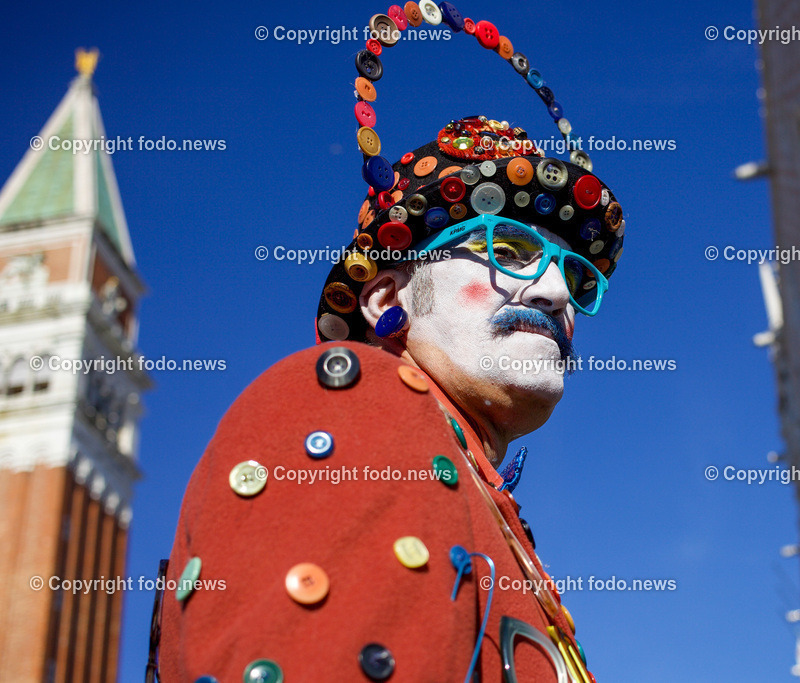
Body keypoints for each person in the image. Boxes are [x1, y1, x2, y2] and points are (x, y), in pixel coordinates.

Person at [155, 5, 624, 682]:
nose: (555, 289)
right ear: (386, 298)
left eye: (576, 274)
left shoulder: (484, 492)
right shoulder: (353, 404)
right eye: (511, 249)